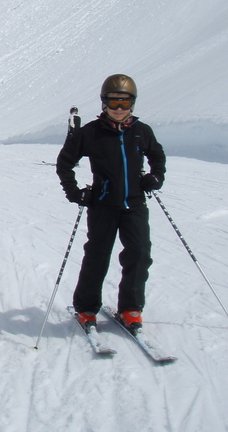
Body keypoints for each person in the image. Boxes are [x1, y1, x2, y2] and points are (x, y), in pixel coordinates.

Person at [55, 74, 166, 333]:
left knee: (139, 255)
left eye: (125, 104)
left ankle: (131, 308)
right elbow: (65, 163)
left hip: (135, 205)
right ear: (104, 103)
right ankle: (86, 308)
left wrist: (156, 177)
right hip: (103, 205)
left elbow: (157, 156)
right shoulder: (91, 133)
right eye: (114, 103)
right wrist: (74, 192)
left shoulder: (141, 132)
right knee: (97, 257)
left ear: (133, 105)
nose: (119, 109)